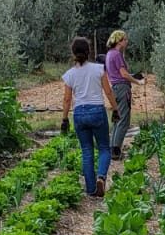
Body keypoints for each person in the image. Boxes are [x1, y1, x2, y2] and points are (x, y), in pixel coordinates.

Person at [61, 37, 119, 197]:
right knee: (104, 148)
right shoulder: (99, 69)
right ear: (89, 52)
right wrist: (115, 109)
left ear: (73, 53)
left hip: (79, 113)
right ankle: (101, 176)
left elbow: (67, 99)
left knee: (86, 150)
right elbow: (108, 91)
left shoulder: (69, 75)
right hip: (97, 112)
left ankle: (91, 189)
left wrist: (64, 119)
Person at [105, 29, 143, 162]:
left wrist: (133, 76)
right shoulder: (117, 55)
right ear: (119, 41)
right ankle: (116, 151)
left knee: (117, 119)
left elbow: (117, 74)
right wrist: (138, 81)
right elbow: (123, 74)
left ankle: (112, 148)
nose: (127, 41)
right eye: (125, 39)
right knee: (124, 120)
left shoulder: (109, 54)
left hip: (115, 88)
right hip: (122, 88)